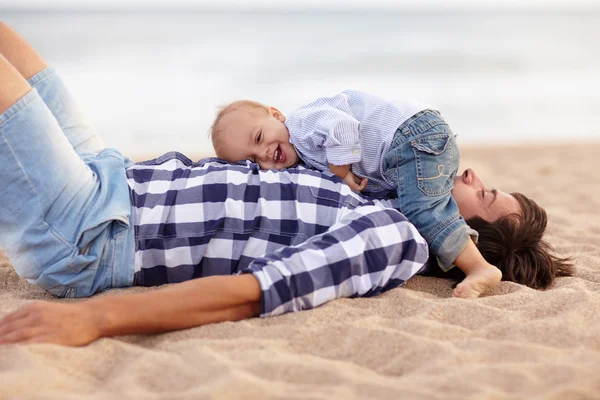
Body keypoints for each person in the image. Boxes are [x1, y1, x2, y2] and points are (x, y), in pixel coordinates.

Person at [0, 23, 572, 347]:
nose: (470, 174)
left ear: (464, 236)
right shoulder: (355, 181)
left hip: (90, 229)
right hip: (115, 172)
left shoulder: (390, 239)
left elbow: (258, 290)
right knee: (18, 50)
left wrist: (95, 319)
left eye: (486, 194)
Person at [210, 93, 530, 298]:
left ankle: (481, 267)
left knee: (422, 208)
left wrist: (342, 172)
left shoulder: (304, 124)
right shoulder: (298, 152)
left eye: (259, 137)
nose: (263, 153)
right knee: (415, 206)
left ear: (276, 114)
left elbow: (345, 129)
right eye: (252, 160)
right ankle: (462, 245)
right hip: (402, 147)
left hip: (411, 135)